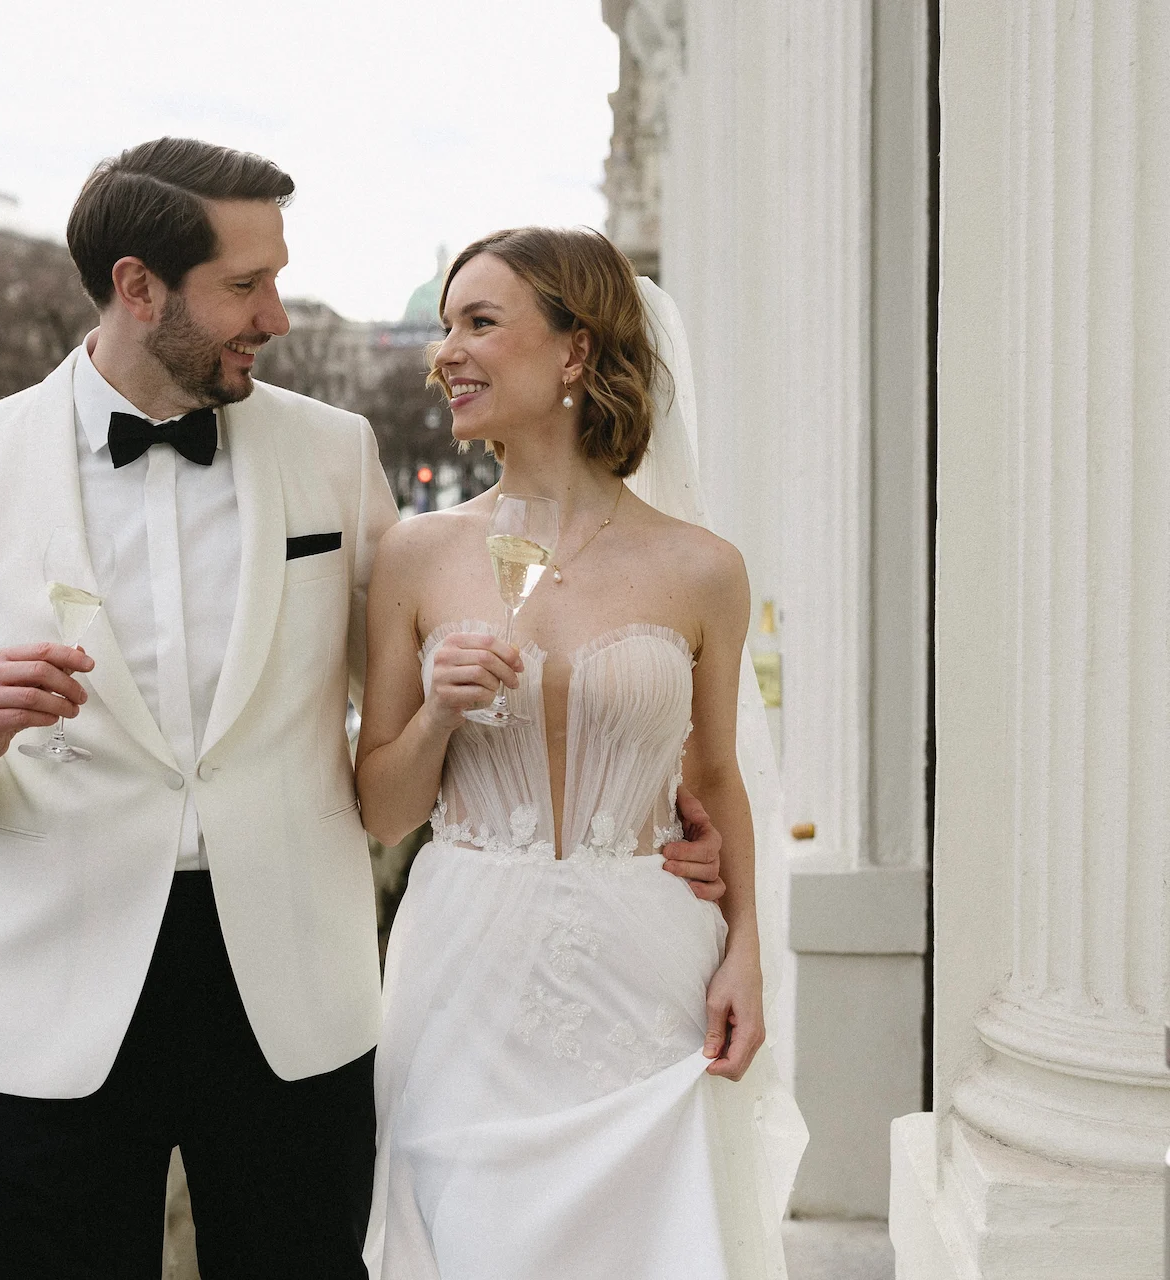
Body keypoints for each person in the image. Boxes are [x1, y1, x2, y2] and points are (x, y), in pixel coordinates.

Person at [0, 141, 725, 1280]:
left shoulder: (332, 450)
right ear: (138, 286)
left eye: (276, 277)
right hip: (53, 1005)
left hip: (295, 997)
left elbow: (446, 668)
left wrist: (647, 800)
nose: (274, 314)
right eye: (244, 285)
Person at [355, 227, 807, 1278]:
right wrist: (437, 713)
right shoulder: (416, 555)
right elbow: (382, 809)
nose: (446, 354)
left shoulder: (703, 568)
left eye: (479, 323)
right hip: (465, 975)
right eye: (446, 327)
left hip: (649, 971)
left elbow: (716, 778)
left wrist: (745, 948)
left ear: (575, 349)